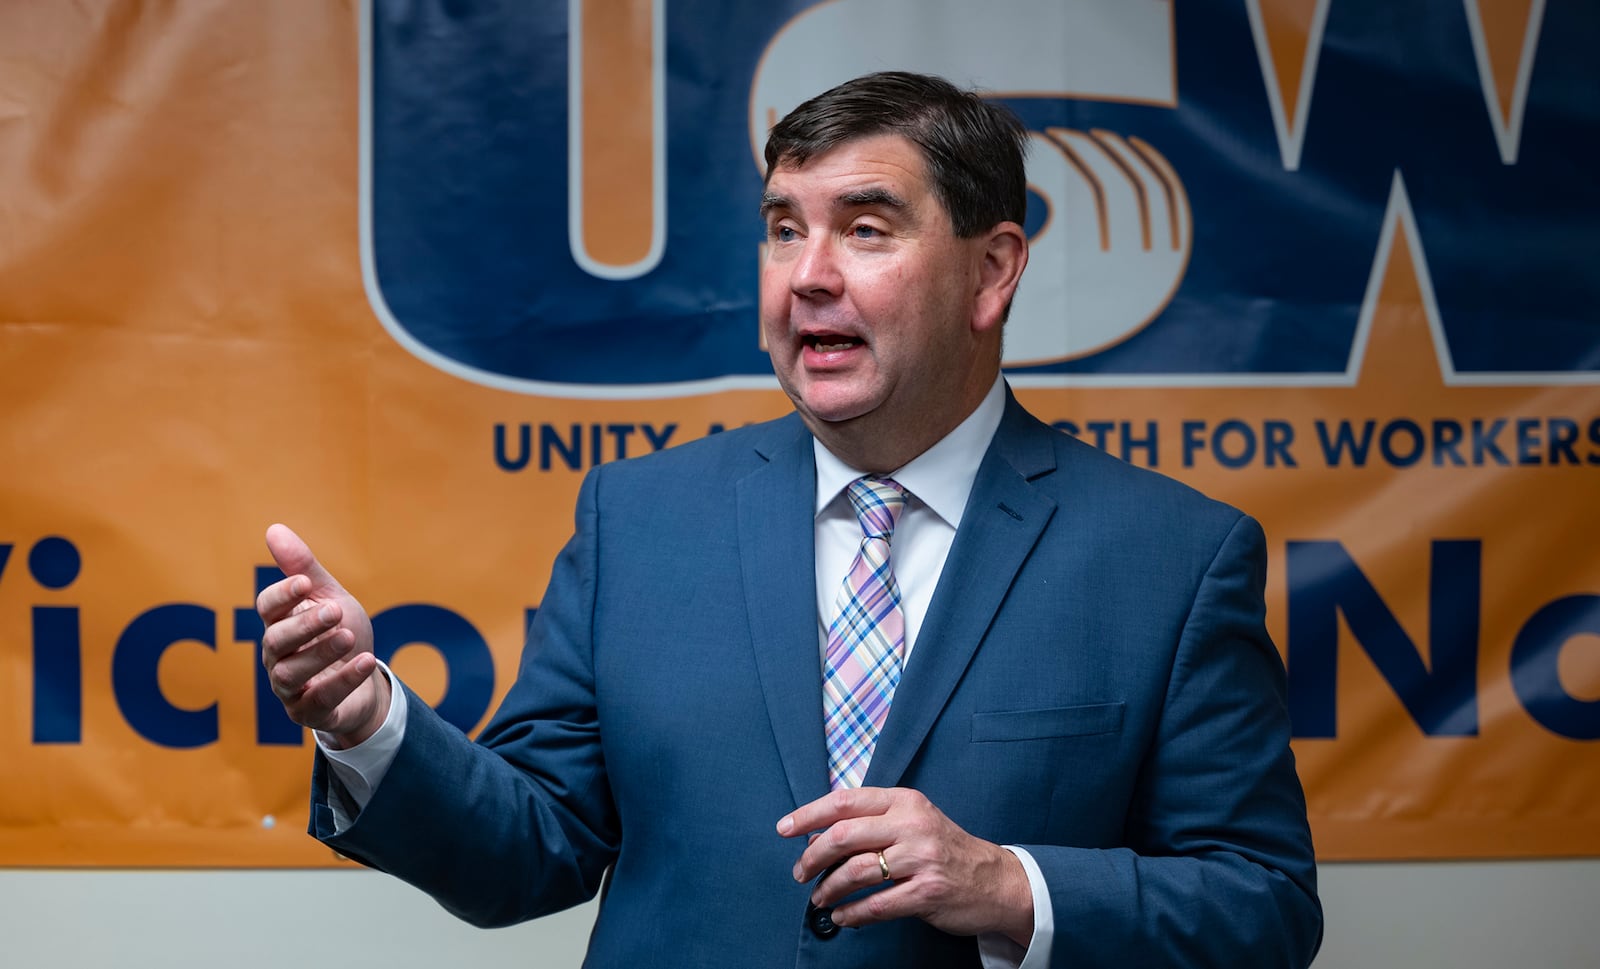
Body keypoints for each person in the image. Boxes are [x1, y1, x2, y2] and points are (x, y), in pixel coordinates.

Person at [258, 71, 1321, 967]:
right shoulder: (638, 520)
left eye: (865, 229)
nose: (808, 277)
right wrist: (368, 725)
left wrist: (1006, 885)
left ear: (991, 271)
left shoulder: (1174, 558)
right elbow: (529, 853)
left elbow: (1263, 907)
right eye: (782, 230)